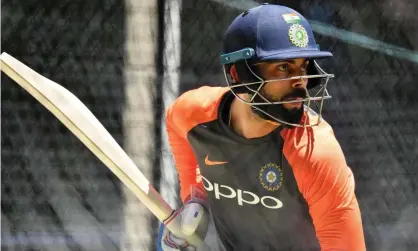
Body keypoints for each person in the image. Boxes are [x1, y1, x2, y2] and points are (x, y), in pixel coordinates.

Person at [157, 3, 366, 251]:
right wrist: (195, 201)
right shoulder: (194, 114)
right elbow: (177, 125)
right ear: (238, 74)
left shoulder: (314, 152)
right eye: (283, 67)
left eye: (303, 67)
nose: (300, 81)